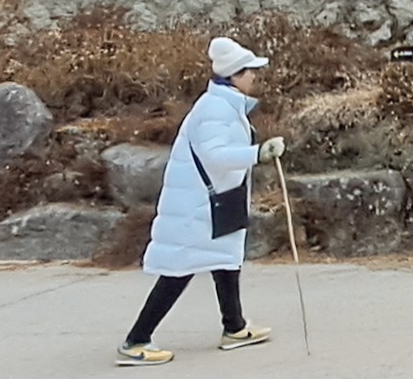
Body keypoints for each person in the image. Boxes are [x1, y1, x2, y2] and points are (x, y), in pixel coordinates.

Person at [116, 37, 286, 366]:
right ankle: (136, 340)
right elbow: (214, 155)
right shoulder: (215, 109)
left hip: (216, 200)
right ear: (234, 75)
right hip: (198, 206)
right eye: (250, 71)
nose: (255, 76)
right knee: (179, 270)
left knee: (226, 260)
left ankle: (234, 327)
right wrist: (258, 154)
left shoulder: (224, 105)